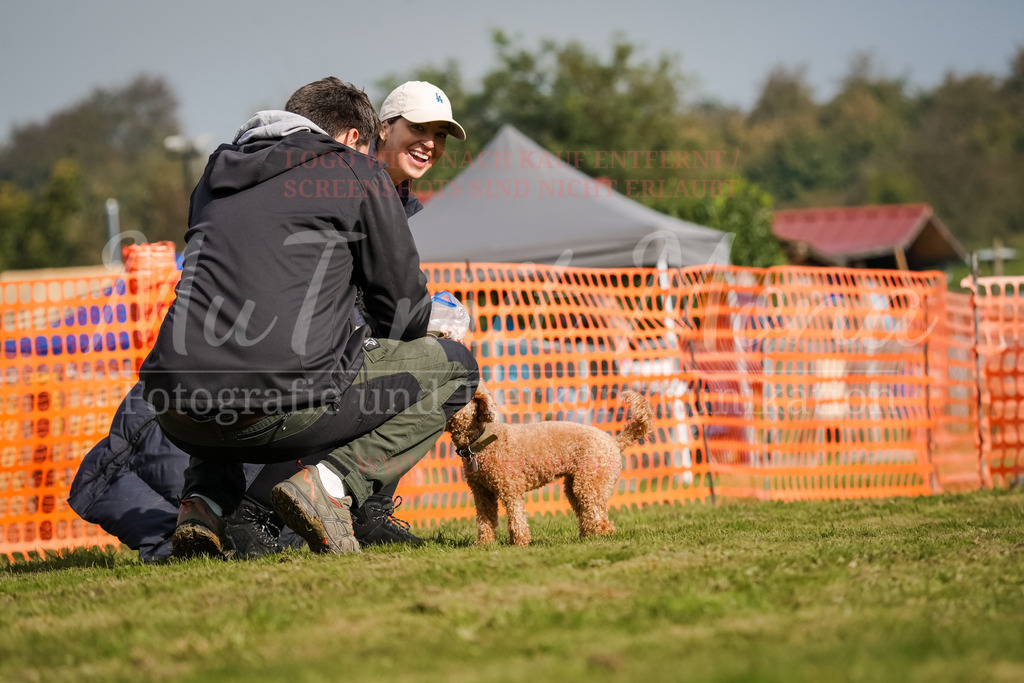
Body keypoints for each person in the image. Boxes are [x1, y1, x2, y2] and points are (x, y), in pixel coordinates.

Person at [69, 80, 467, 560]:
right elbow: (403, 313)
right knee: (454, 367)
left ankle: (203, 504)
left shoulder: (216, 173)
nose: (430, 143)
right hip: (270, 408)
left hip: (173, 407)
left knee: (237, 360)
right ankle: (330, 487)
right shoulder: (356, 171)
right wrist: (431, 320)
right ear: (353, 138)